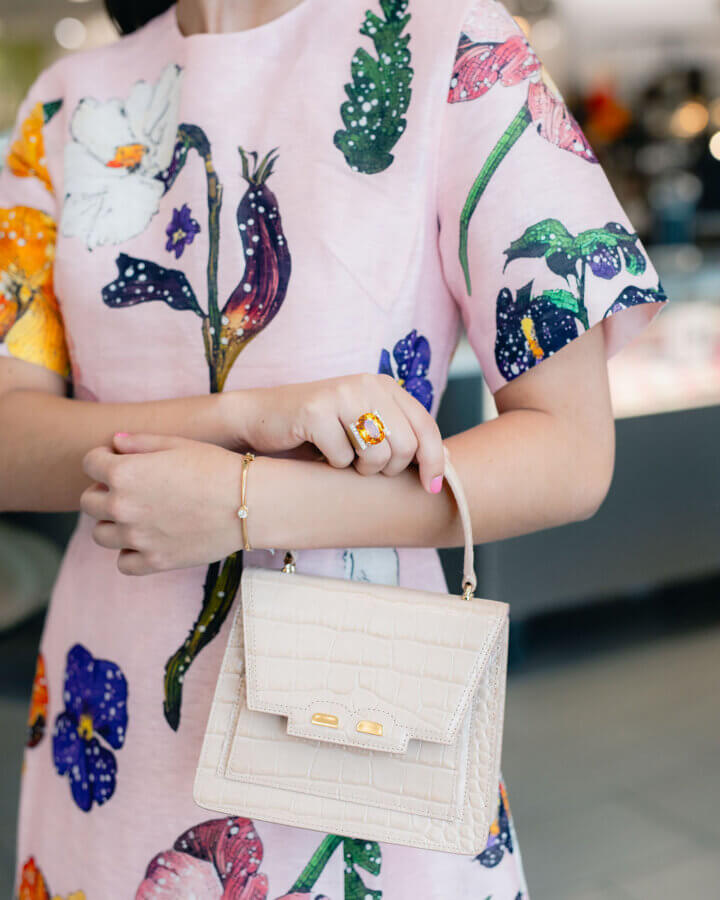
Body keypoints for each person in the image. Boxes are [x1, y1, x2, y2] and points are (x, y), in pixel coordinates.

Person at [0, 0, 669, 896]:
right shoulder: (63, 104)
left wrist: (244, 502)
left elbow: (570, 451)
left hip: (354, 719)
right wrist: (249, 418)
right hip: (110, 732)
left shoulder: (453, 45)